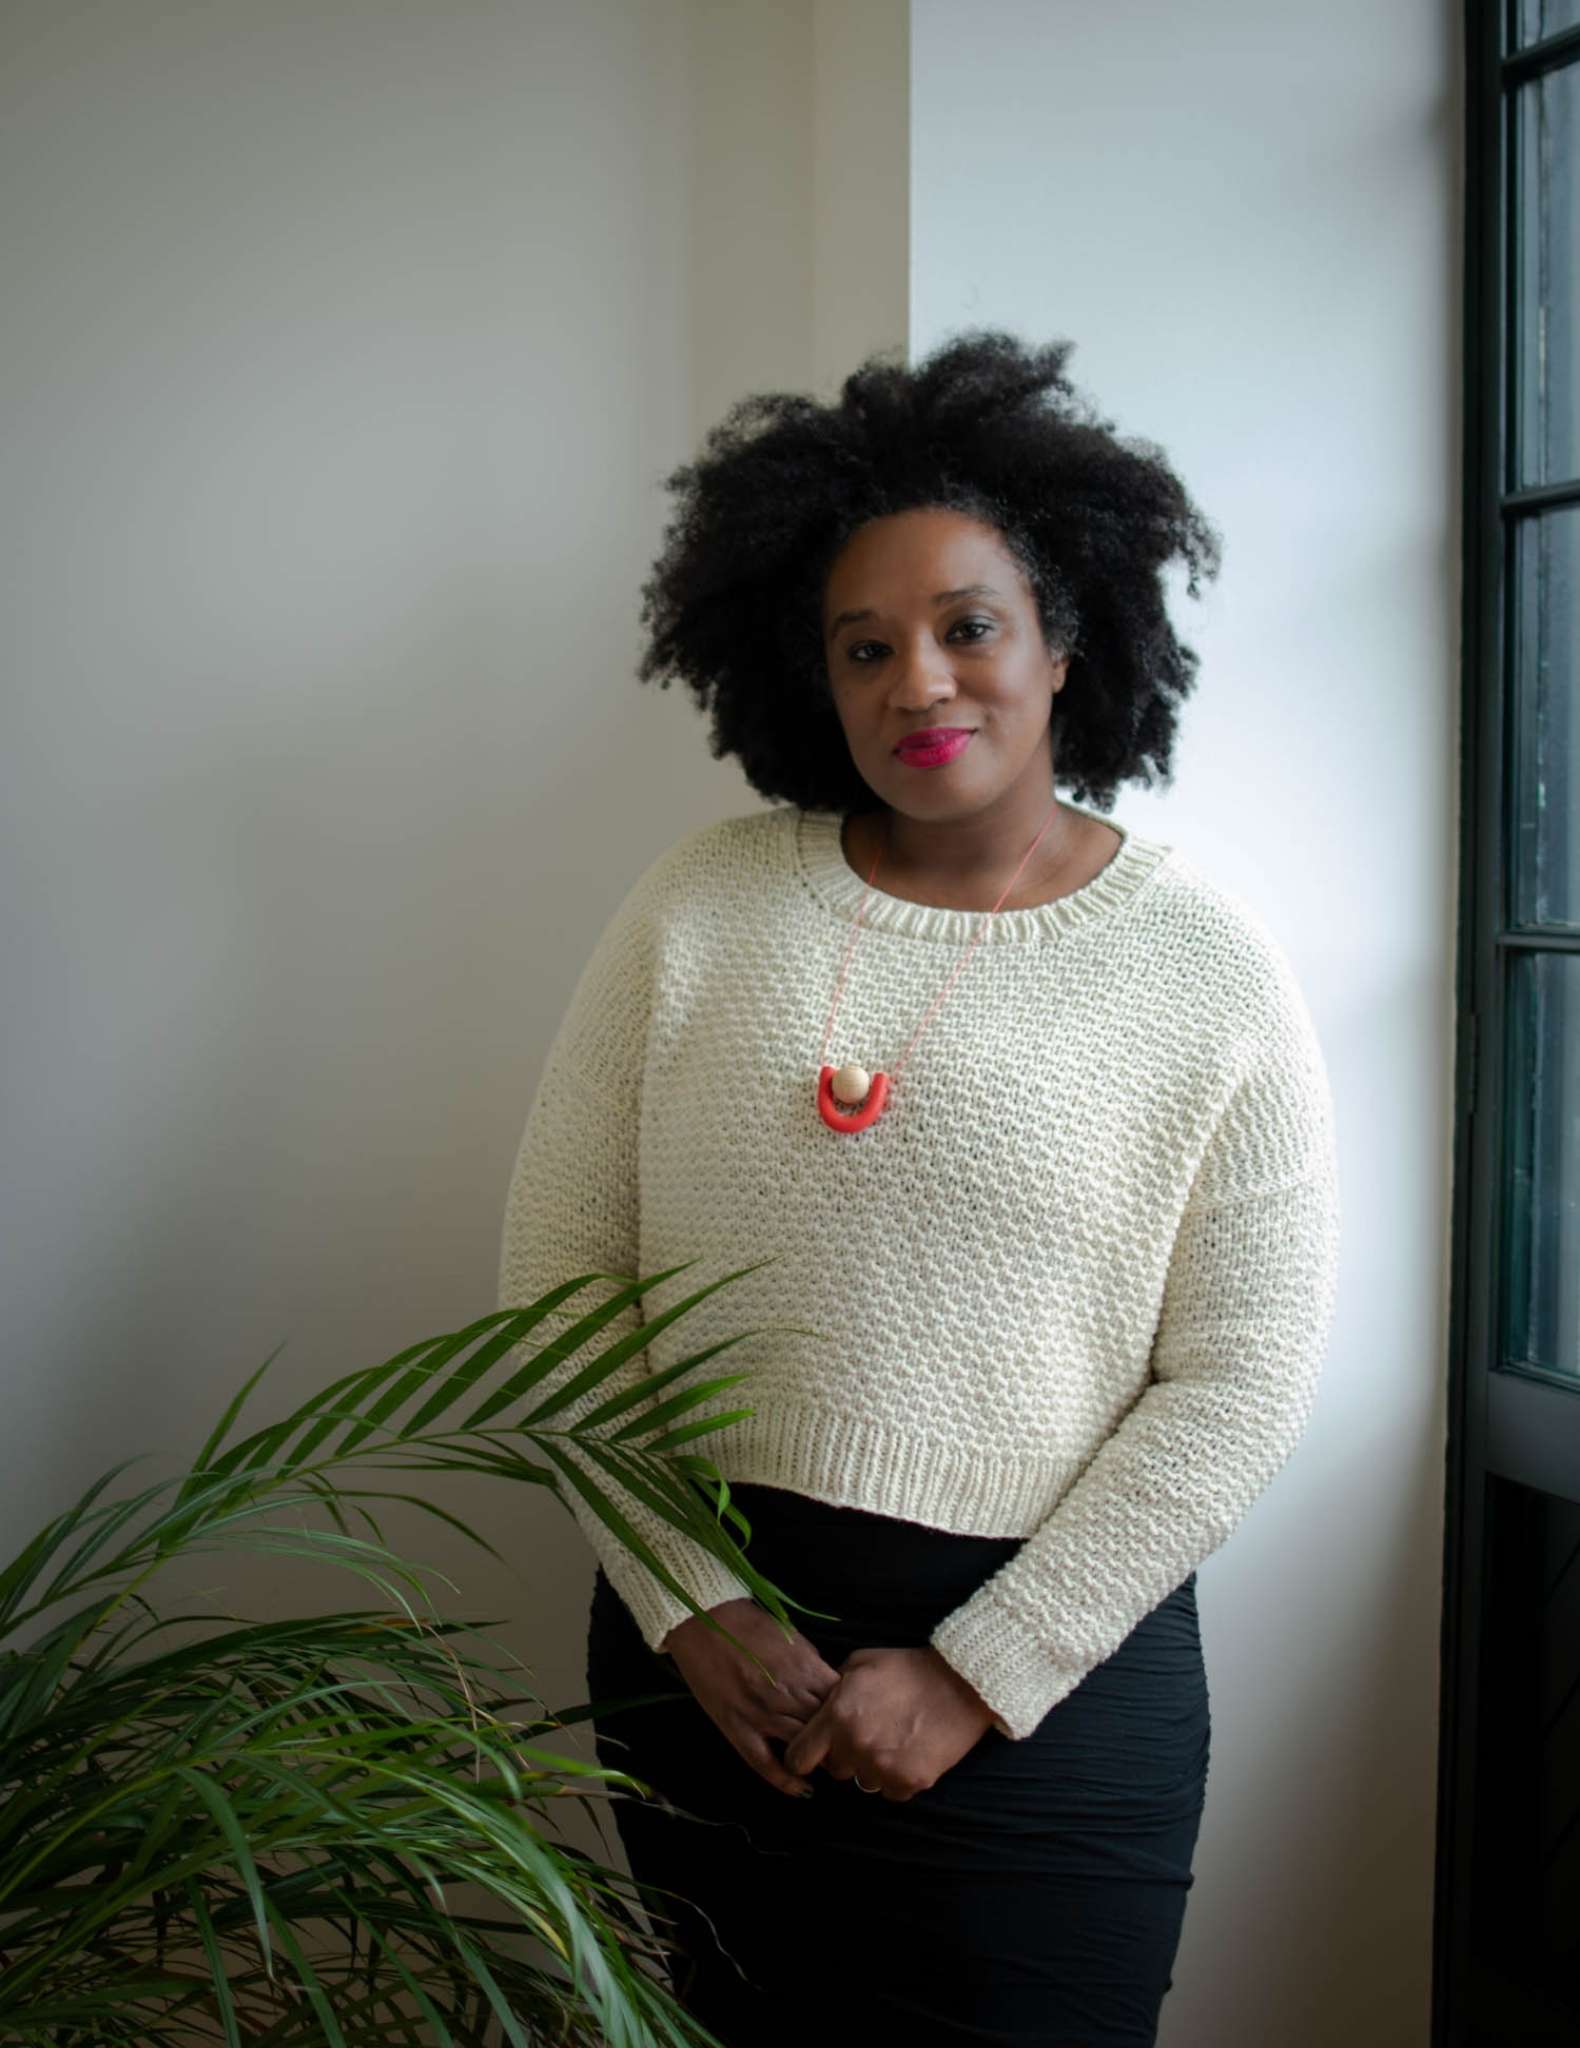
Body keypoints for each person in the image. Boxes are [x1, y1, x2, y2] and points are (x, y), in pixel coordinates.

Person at [497, 329, 1342, 2046]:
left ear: (1065, 639)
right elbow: (561, 1271)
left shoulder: (1203, 961)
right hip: (716, 1673)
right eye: (864, 647)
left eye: (969, 628)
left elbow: (1246, 1370)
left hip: (1052, 1687)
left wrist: (980, 1667)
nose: (919, 685)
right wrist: (689, 1599)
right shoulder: (702, 903)